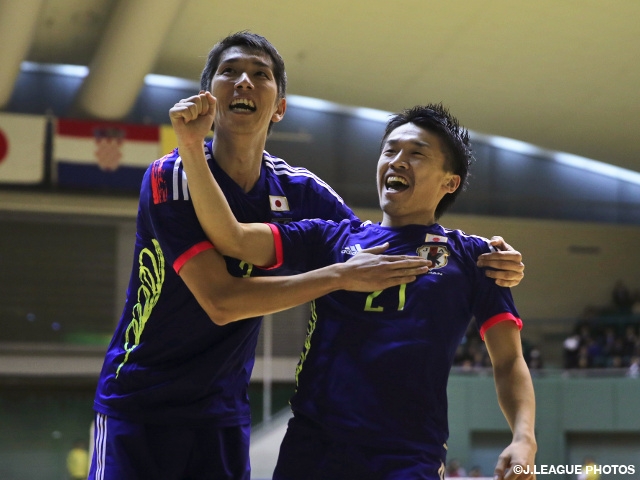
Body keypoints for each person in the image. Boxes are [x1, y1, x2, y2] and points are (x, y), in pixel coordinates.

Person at [90, 31, 527, 479]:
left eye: (260, 75)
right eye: (230, 72)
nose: (244, 81)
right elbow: (223, 297)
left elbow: (368, 240)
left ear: (280, 106)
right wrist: (338, 276)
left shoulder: (303, 192)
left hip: (220, 410)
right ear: (208, 96)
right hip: (141, 400)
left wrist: (495, 258)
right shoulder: (174, 174)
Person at [178, 98, 537, 479]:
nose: (397, 160)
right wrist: (191, 149)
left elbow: (509, 361)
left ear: (450, 182)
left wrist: (524, 437)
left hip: (406, 455)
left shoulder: (476, 257)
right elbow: (231, 237)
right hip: (313, 447)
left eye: (416, 154)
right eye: (390, 150)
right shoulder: (329, 238)